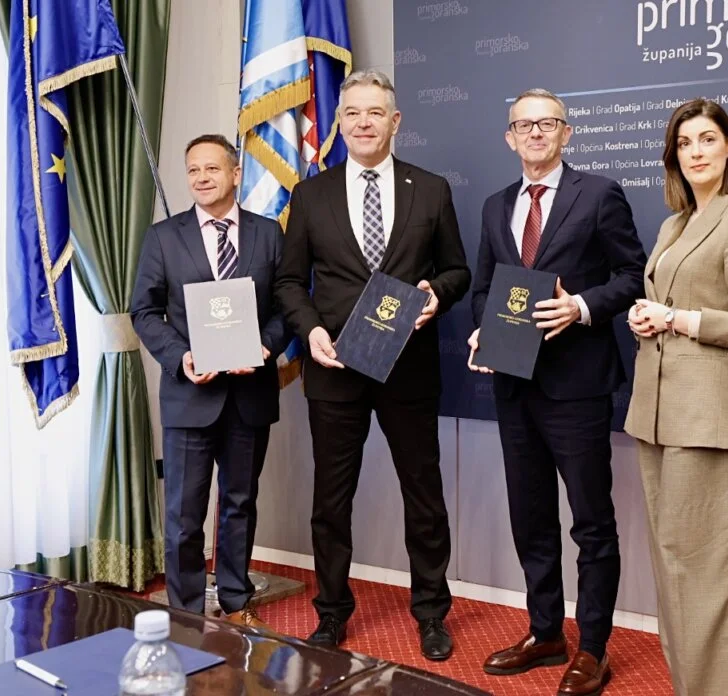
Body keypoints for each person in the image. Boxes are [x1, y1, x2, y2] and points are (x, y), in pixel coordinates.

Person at [274, 70, 470, 660]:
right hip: (334, 367)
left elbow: (458, 271)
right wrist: (310, 331)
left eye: (375, 112)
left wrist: (437, 295)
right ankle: (331, 613)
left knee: (424, 497)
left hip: (409, 367)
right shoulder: (310, 194)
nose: (363, 122)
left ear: (395, 121)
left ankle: (431, 613)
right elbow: (289, 281)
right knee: (331, 502)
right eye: (352, 113)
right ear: (339, 122)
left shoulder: (430, 189)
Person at [467, 88, 647, 696]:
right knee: (531, 517)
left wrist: (582, 307)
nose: (536, 133)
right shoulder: (495, 205)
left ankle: (592, 648)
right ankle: (545, 632)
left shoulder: (598, 194)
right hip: (513, 385)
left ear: (566, 133)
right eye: (525, 125)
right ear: (510, 138)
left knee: (591, 523)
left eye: (548, 123)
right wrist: (482, 330)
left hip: (577, 386)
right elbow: (483, 288)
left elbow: (633, 275)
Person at [624, 98, 728, 696]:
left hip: (707, 417)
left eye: (707, 139)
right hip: (656, 414)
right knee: (674, 565)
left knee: (709, 572)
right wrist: (647, 317)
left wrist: (677, 318)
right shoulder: (674, 225)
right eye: (684, 143)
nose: (695, 152)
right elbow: (671, 305)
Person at [131, 134, 290, 630]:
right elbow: (144, 311)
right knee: (184, 515)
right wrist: (181, 357)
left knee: (239, 505)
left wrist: (265, 348)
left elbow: (286, 306)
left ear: (236, 174)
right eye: (193, 170)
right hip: (189, 395)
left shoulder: (269, 234)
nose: (201, 178)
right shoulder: (163, 236)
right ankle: (185, 613)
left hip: (249, 395)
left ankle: (237, 601)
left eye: (212, 169)